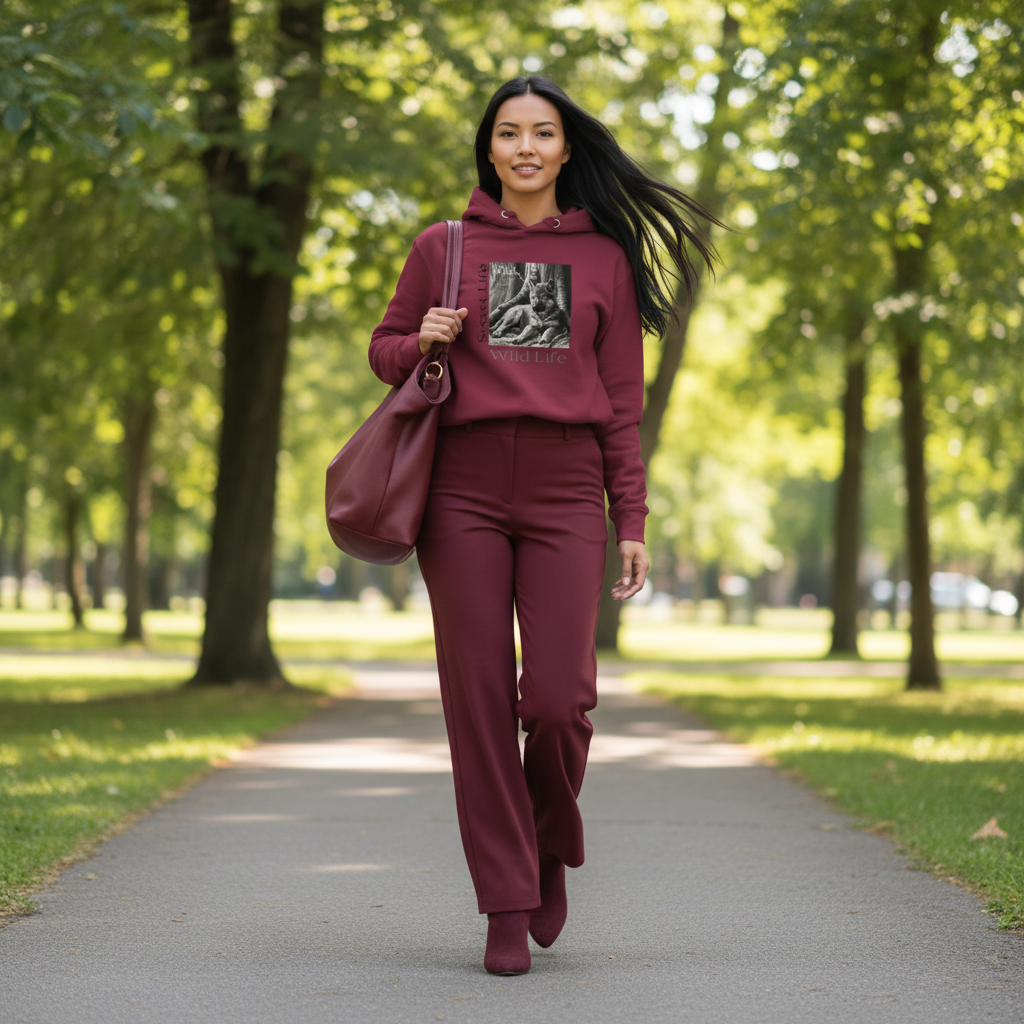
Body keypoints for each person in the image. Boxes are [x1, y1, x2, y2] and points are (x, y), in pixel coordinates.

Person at [368, 76, 718, 976]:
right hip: (463, 490)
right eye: (510, 133)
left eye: (544, 133)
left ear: (566, 148)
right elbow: (384, 348)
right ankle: (507, 900)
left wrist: (629, 515)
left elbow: (620, 410)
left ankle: (549, 840)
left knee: (559, 701)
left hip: (567, 490)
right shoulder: (442, 246)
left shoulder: (602, 258)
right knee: (478, 701)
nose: (526, 147)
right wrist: (424, 343)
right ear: (488, 148)